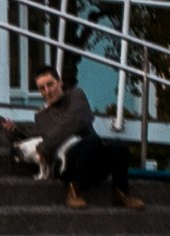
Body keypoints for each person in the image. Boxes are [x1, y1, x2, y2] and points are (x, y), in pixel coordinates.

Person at [24, 54, 133, 207]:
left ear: (60, 82)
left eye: (50, 84)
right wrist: (12, 132)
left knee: (118, 146)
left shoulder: (76, 95)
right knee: (91, 142)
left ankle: (121, 193)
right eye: (42, 88)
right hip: (67, 166)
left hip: (93, 160)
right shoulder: (41, 116)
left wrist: (46, 147)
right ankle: (74, 192)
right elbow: (35, 137)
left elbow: (78, 120)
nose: (47, 91)